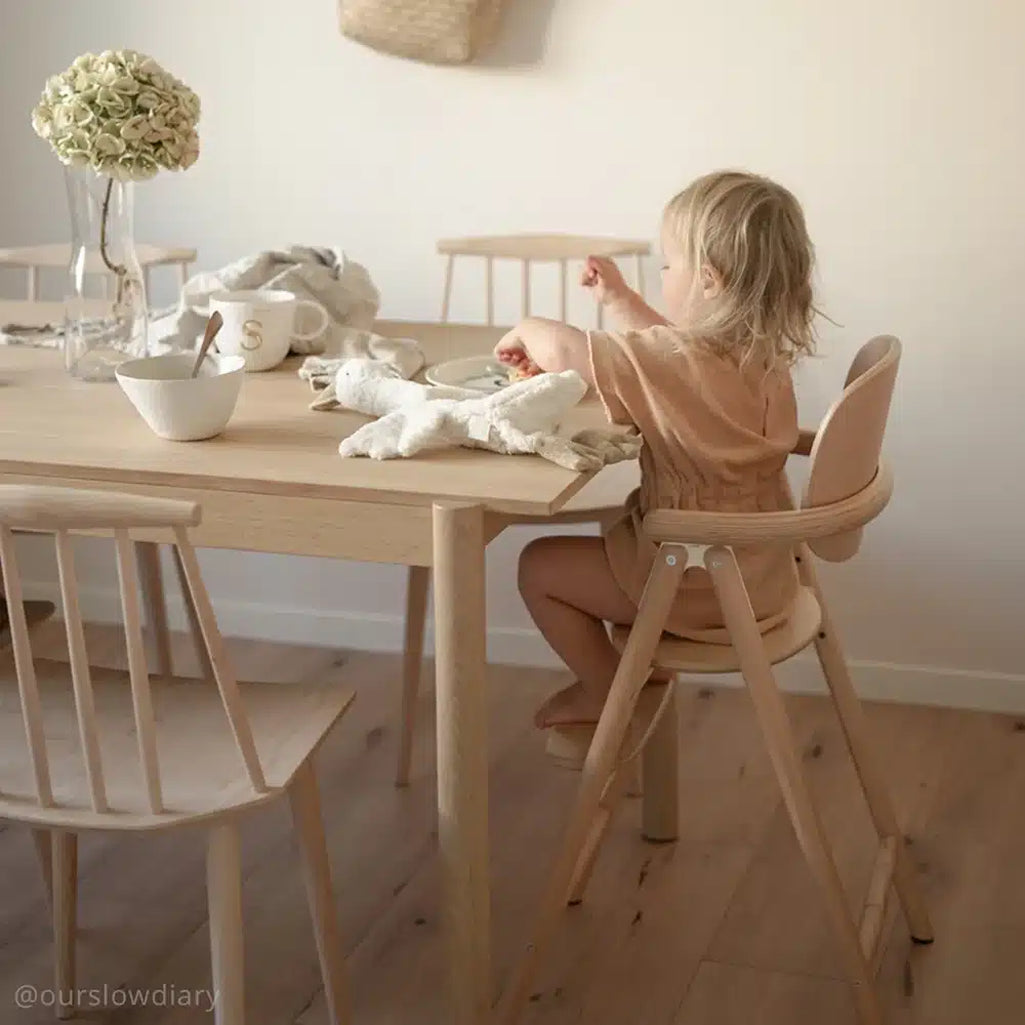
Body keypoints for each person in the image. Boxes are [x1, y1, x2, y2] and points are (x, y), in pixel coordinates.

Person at [494, 170, 816, 730]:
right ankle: (633, 673)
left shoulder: (681, 365)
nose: (663, 272)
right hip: (762, 572)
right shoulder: (759, 355)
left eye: (669, 264)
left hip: (698, 582)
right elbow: (676, 355)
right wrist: (620, 300)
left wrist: (526, 325)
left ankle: (610, 690)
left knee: (538, 567)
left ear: (709, 280)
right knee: (590, 542)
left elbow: (572, 352)